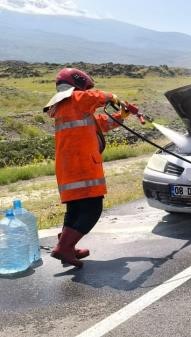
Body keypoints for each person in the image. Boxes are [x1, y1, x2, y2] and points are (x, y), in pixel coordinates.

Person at [43, 68, 130, 268]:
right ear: (77, 85)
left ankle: (67, 246)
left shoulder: (71, 108)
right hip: (81, 167)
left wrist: (122, 115)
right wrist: (112, 96)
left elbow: (102, 123)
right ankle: (64, 247)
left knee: (75, 210)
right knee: (92, 209)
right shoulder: (75, 100)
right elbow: (94, 96)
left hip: (69, 168)